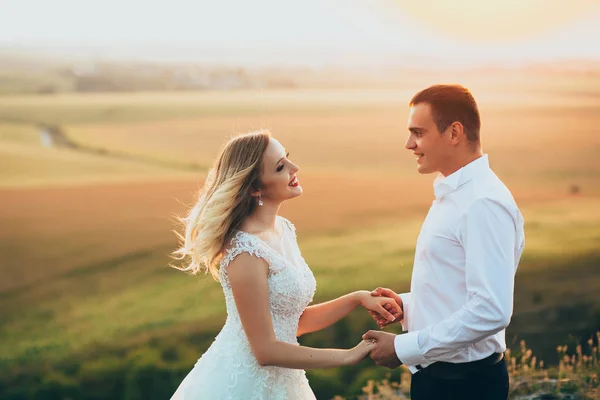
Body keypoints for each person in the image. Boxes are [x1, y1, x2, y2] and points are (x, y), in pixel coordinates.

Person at [170, 130, 401, 399]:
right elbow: (266, 350)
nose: (294, 168)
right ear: (255, 187)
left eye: (287, 159)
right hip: (243, 383)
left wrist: (357, 298)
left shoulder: (283, 230)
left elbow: (291, 322)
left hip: (285, 380)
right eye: (281, 167)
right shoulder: (245, 251)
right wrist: (348, 356)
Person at [364, 84, 525, 400]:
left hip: (465, 385)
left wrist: (403, 347)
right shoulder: (455, 194)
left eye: (418, 133)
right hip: (440, 380)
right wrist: (409, 306)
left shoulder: (482, 203)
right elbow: (459, 286)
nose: (409, 144)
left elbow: (491, 309)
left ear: (454, 133)